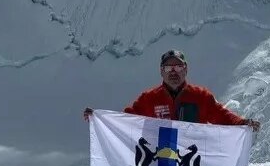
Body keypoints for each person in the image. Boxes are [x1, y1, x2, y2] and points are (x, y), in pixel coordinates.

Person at [83, 49, 260, 131]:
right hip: (160, 165)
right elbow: (126, 119)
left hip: (192, 164)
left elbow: (221, 115)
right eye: (168, 68)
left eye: (178, 67)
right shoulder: (149, 98)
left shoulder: (201, 96)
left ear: (186, 69)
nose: (173, 72)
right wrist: (99, 118)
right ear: (161, 71)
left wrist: (242, 123)